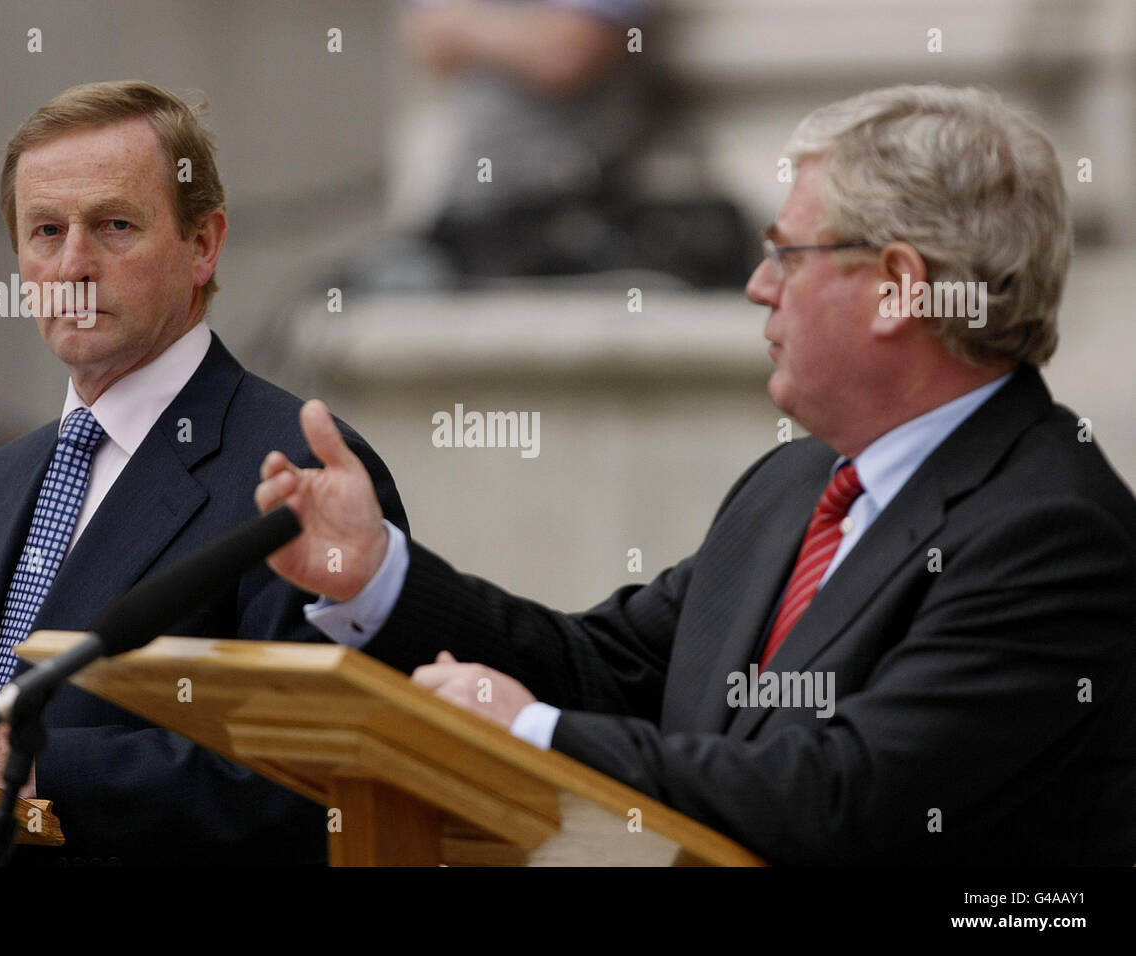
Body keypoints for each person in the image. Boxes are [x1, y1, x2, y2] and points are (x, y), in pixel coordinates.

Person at [252, 84, 1136, 865]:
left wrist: (529, 733)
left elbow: (846, 798)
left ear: (901, 287)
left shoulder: (1051, 530)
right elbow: (607, 670)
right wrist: (375, 576)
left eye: (788, 254)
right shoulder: (795, 485)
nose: (757, 286)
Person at [0, 80, 408, 866]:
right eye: (44, 231)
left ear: (203, 244)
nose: (72, 264)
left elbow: (326, 786)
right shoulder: (1, 479)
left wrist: (39, 769)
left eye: (113, 226)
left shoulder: (301, 472)